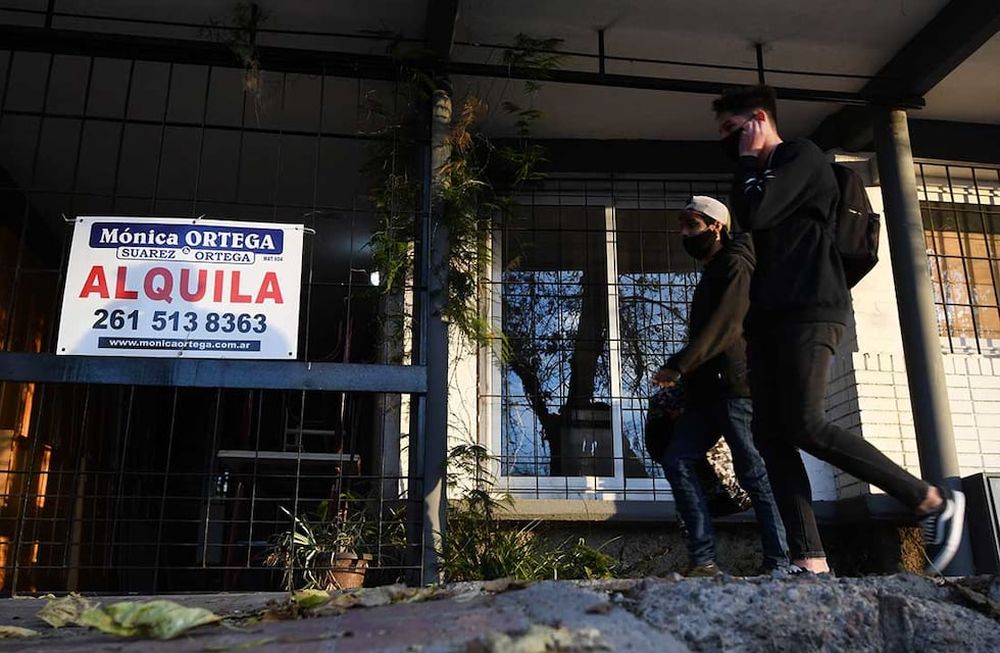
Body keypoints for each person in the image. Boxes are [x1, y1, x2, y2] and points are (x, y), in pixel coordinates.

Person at [712, 84, 965, 574]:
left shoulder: (800, 157)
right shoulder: (754, 176)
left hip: (812, 308)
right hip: (768, 319)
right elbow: (753, 220)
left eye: (731, 128)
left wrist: (745, 164)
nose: (727, 140)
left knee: (805, 423)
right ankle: (809, 559)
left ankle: (930, 499)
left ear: (759, 119)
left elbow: (755, 212)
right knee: (770, 436)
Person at [653, 196, 794, 577]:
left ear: (716, 226)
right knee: (677, 460)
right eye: (682, 226)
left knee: (753, 473)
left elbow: (727, 326)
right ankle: (704, 561)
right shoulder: (713, 270)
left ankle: (780, 562)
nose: (684, 234)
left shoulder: (735, 264)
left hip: (733, 387)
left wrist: (679, 365)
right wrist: (683, 374)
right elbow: (708, 333)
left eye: (692, 225)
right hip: (703, 393)